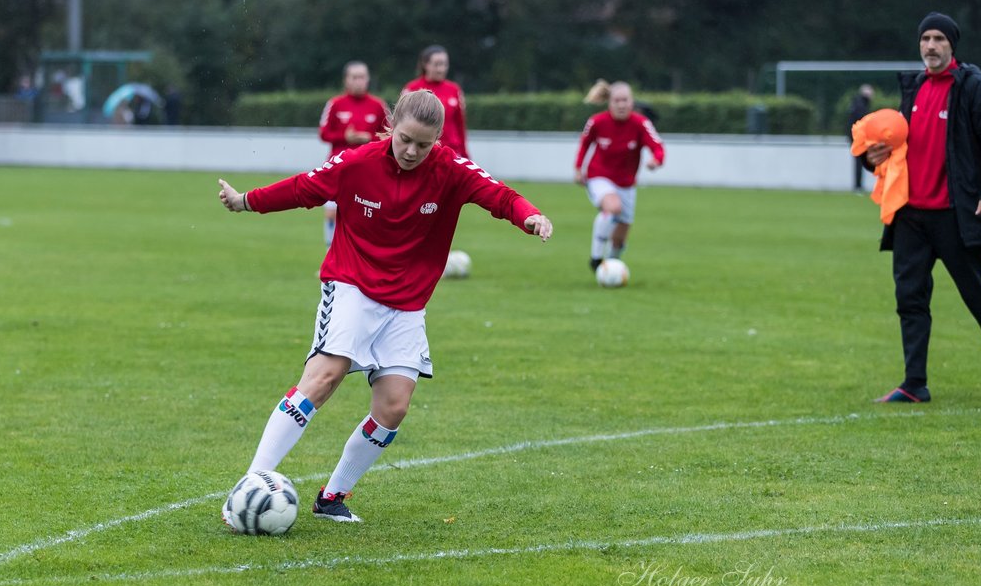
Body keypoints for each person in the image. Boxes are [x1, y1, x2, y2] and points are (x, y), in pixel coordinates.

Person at [216, 90, 553, 523]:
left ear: (438, 141)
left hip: (407, 303)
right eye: (405, 139)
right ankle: (251, 484)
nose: (412, 151)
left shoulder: (450, 169)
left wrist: (530, 216)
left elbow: (500, 196)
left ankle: (332, 497)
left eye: (423, 144)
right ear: (391, 126)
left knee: (393, 406)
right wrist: (246, 201)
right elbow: (303, 189)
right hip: (351, 282)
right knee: (325, 376)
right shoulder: (357, 162)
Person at [865, 12, 981, 403]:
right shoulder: (913, 87)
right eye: (925, 39)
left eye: (938, 39)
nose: (930, 46)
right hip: (911, 215)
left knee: (975, 294)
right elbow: (899, 147)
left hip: (954, 215)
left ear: (952, 45)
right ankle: (915, 383)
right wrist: (872, 158)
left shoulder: (972, 86)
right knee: (910, 297)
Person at [574, 80, 665, 271]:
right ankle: (596, 258)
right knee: (613, 207)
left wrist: (656, 161)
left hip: (626, 184)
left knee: (619, 239)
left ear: (632, 102)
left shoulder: (641, 123)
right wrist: (578, 168)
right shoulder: (597, 121)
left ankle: (611, 266)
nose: (621, 105)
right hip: (599, 176)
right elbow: (584, 144)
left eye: (625, 100)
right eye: (617, 100)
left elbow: (657, 147)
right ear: (610, 102)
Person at [317, 61, 389, 245]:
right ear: (346, 80)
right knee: (332, 213)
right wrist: (345, 136)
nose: (359, 81)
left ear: (368, 79)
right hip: (338, 168)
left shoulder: (378, 105)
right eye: (354, 77)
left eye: (362, 77)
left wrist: (369, 139)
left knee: (366, 214)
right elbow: (323, 133)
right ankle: (329, 257)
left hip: (369, 169)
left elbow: (390, 136)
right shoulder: (335, 104)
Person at [403, 45, 469, 158]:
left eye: (444, 64)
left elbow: (460, 123)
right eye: (437, 64)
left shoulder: (454, 89)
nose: (441, 69)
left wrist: (464, 153)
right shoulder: (412, 88)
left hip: (451, 151)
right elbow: (402, 122)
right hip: (423, 152)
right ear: (425, 64)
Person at [846, 84, 874, 191]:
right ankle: (858, 186)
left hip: (855, 137)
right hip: (858, 138)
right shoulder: (861, 105)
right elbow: (862, 121)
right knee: (859, 162)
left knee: (859, 162)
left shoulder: (856, 103)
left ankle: (858, 185)